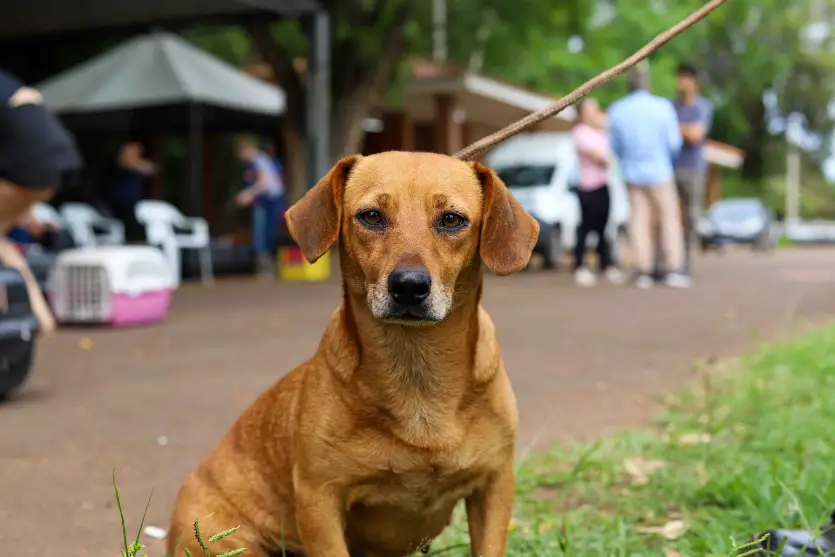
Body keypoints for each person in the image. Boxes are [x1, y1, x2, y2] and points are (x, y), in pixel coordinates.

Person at [0, 69, 82, 333]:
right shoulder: (9, 82)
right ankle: (41, 316)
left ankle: (28, 316)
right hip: (57, 166)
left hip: (28, 169)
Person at [607, 63, 689, 289]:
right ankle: (673, 268)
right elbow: (674, 143)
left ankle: (644, 270)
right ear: (648, 82)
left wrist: (628, 161)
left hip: (632, 173)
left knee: (639, 221)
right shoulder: (662, 107)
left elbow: (615, 146)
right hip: (660, 170)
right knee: (668, 219)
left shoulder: (617, 109)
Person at [570, 97, 626, 287]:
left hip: (603, 184)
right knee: (586, 228)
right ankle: (580, 266)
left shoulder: (602, 132)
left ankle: (606, 265)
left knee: (603, 228)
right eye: (589, 111)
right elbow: (601, 156)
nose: (594, 114)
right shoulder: (580, 132)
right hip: (587, 187)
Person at [674, 61, 713, 275]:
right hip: (672, 167)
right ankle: (669, 261)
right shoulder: (672, 106)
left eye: (685, 78)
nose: (681, 82)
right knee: (670, 216)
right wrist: (685, 130)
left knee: (691, 216)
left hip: (694, 169)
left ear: (694, 81)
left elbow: (696, 135)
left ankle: (686, 265)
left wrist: (677, 129)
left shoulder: (702, 107)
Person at [234, 135, 285, 277]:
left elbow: (264, 183)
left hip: (270, 200)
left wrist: (248, 194)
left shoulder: (259, 160)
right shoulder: (256, 162)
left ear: (247, 149)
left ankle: (266, 266)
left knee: (265, 233)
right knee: (262, 232)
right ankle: (264, 266)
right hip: (264, 199)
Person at [104, 140, 156, 243]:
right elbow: (128, 164)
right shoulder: (121, 165)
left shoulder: (135, 166)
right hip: (121, 204)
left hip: (134, 203)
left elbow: (151, 168)